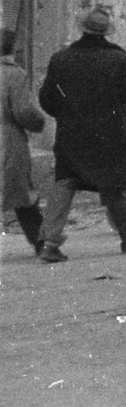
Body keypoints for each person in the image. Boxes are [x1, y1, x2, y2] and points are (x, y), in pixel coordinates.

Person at [36, 6, 126, 262]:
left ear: (82, 28)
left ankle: (49, 242)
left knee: (64, 184)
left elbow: (47, 100)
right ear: (106, 32)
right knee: (114, 186)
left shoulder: (61, 59)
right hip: (110, 135)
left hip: (70, 135)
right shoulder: (119, 59)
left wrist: (66, 115)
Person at [3, 29, 47, 253]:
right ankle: (41, 241)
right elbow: (24, 111)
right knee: (23, 194)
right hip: (8, 141)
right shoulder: (14, 74)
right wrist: (39, 122)